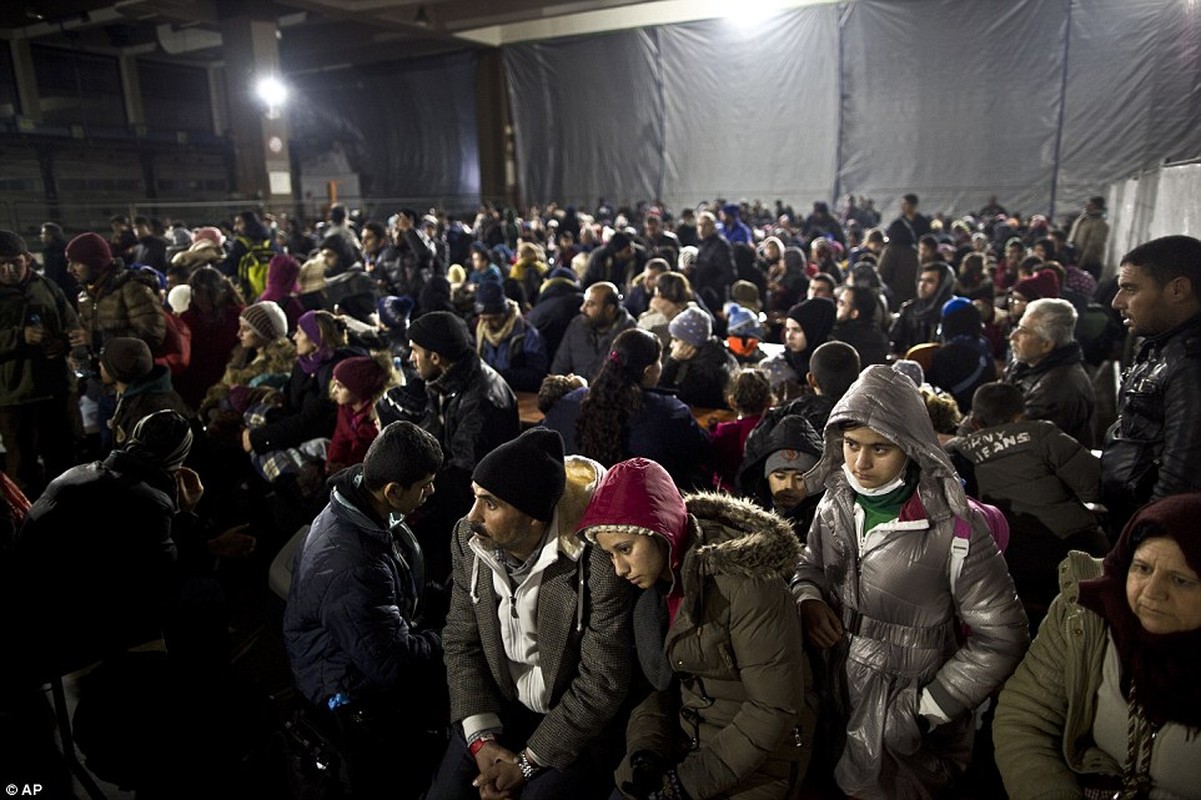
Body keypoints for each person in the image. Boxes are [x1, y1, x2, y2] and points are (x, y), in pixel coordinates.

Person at [792, 364, 1028, 799]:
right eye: (850, 445)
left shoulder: (957, 529)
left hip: (905, 708)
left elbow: (1003, 636)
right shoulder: (835, 499)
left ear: (911, 447)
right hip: (831, 688)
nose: (859, 463)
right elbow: (809, 564)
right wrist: (807, 598)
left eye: (879, 448)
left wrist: (927, 709)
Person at [579, 457, 811, 800]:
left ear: (660, 532)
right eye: (611, 555)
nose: (619, 569)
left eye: (625, 550)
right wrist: (646, 751)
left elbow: (774, 709)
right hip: (688, 743)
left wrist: (686, 783)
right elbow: (658, 686)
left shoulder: (745, 583)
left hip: (761, 760)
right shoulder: (656, 587)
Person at [425, 429, 634, 800]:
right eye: (476, 498)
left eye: (490, 504)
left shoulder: (598, 562)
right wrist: (480, 739)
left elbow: (602, 681)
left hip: (570, 720)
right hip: (499, 706)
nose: (472, 516)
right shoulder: (469, 540)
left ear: (535, 518)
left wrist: (525, 763)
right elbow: (461, 640)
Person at [993, 492, 1201, 799]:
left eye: (1181, 580)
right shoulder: (1084, 613)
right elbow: (1026, 718)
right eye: (1142, 568)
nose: (1153, 592)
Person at [284, 421, 448, 799]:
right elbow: (392, 663)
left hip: (362, 647)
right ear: (393, 490)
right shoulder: (354, 567)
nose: (432, 491)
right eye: (424, 485)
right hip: (347, 691)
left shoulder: (360, 505)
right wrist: (450, 635)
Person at [945, 381, 1109, 626]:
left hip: (1004, 565)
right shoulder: (1041, 434)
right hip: (1069, 551)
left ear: (975, 421)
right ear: (1020, 416)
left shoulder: (957, 451)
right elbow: (1096, 487)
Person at [407, 310, 520, 581]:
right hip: (453, 499)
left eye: (414, 351)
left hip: (478, 513)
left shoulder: (482, 401)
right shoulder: (446, 382)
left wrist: (414, 490)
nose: (411, 359)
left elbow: (464, 476)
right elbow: (434, 435)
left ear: (435, 357)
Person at [1101, 235, 1201, 536]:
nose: (1117, 301)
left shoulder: (1190, 364)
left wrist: (1145, 541)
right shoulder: (1160, 344)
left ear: (1177, 290)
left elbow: (1181, 474)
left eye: (1130, 288)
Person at [541, 328, 711, 490]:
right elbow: (701, 452)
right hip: (643, 511)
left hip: (573, 504)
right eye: (659, 360)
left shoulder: (569, 403)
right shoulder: (670, 412)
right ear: (648, 371)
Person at [0, 230, 78, 497]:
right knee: (22, 466)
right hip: (14, 397)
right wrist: (18, 337)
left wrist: (64, 342)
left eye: (15, 262)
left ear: (27, 259)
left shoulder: (47, 287)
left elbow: (71, 322)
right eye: (1, 264)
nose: (9, 269)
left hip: (56, 390)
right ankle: (27, 525)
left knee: (65, 459)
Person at [1005, 297, 1096, 449]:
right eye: (1017, 327)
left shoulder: (1058, 387)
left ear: (1046, 345)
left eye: (1024, 331)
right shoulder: (1023, 365)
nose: (1012, 336)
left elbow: (1017, 441)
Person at [101, 336, 193, 449]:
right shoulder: (137, 393)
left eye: (104, 363)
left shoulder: (149, 413)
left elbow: (141, 461)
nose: (99, 365)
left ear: (117, 371)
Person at [473, 280, 549, 393]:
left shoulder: (527, 335)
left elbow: (537, 376)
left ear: (504, 313)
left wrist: (500, 375)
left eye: (494, 319)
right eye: (484, 319)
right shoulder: (480, 333)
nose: (487, 324)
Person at [551, 281, 636, 381]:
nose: (582, 308)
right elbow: (559, 368)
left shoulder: (630, 335)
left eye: (590, 304)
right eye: (584, 302)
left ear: (609, 309)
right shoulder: (577, 326)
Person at [658, 305, 738, 409]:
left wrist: (673, 360)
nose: (671, 345)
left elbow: (663, 394)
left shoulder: (703, 371)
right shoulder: (717, 352)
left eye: (676, 339)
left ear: (691, 343)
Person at [325, 354, 393, 476]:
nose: (334, 390)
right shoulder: (346, 409)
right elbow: (339, 439)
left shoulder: (377, 422)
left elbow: (372, 461)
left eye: (340, 386)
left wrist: (345, 471)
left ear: (358, 389)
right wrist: (332, 464)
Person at [760, 298, 836, 400]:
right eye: (787, 329)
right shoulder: (775, 367)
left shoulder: (833, 366)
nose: (789, 336)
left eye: (796, 330)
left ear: (813, 332)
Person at [888, 262, 956, 355]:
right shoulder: (909, 309)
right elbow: (894, 340)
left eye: (930, 281)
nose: (922, 285)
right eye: (921, 280)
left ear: (943, 285)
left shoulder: (953, 312)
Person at [1067, 195, 1110, 278]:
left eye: (1090, 204)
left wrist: (1081, 263)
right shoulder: (1083, 219)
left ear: (1096, 206)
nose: (1086, 206)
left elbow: (1092, 246)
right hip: (1075, 260)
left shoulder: (1100, 224)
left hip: (1089, 264)